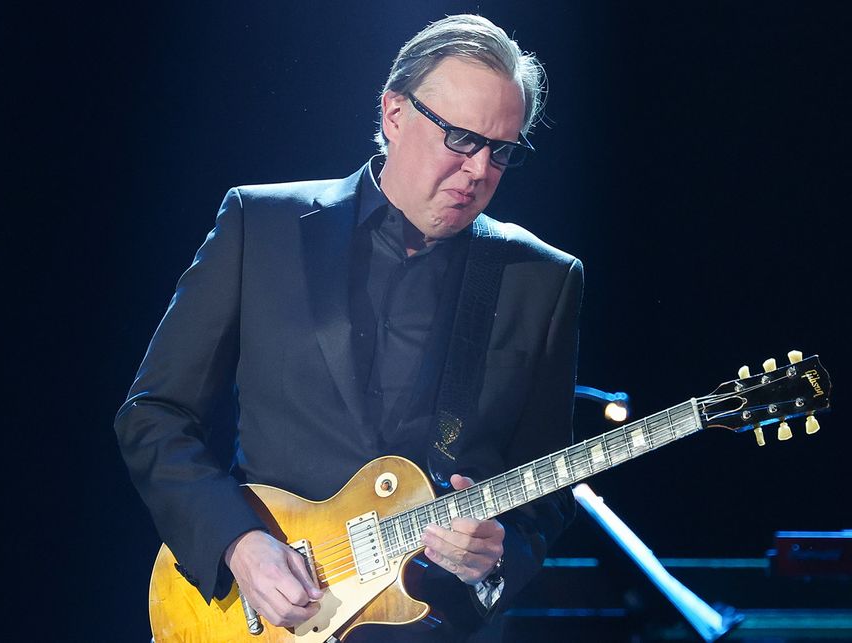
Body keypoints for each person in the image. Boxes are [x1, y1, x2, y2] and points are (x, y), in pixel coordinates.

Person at [115, 14, 583, 642]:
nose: (480, 170)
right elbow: (155, 414)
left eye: (502, 151)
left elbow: (547, 490)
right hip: (253, 618)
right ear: (394, 113)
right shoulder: (262, 225)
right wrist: (238, 543)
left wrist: (497, 555)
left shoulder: (542, 279)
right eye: (463, 140)